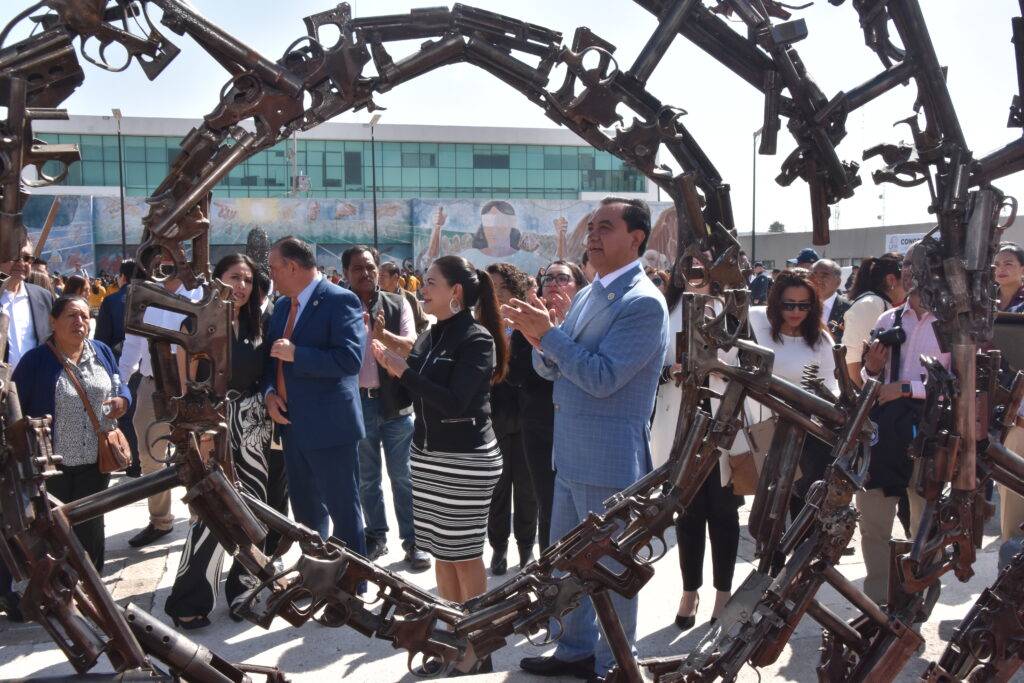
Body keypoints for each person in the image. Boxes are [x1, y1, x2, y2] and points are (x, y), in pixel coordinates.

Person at [503, 196, 668, 682]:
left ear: (636, 238)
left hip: (609, 461)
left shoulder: (642, 303)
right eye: (592, 227)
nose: (592, 235)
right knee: (568, 567)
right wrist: (539, 338)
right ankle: (575, 649)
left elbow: (602, 377)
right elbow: (553, 368)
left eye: (605, 227)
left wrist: (549, 337)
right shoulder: (591, 293)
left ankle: (615, 661)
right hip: (571, 456)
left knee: (610, 570)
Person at [372, 255, 507, 676]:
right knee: (443, 556)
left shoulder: (477, 339)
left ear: (456, 292)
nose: (421, 288)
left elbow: (454, 401)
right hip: (430, 457)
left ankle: (478, 647)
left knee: (464, 556)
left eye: (430, 282)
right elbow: (419, 381)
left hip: (465, 461)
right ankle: (451, 634)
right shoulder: (432, 335)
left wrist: (402, 371)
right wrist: (393, 361)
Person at [164, 254, 289, 628]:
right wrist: (197, 432)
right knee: (211, 508)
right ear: (216, 279)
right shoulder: (195, 322)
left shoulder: (258, 324)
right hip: (209, 422)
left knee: (252, 507)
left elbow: (266, 373)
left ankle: (244, 589)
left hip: (253, 422)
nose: (242, 286)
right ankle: (190, 598)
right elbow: (184, 383)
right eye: (235, 277)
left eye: (248, 280)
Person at [262, 237, 367, 558]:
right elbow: (270, 358)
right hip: (292, 425)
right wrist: (269, 393)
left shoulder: (340, 300)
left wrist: (298, 354)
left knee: (344, 512)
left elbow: (350, 360)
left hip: (330, 428)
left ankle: (353, 582)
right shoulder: (282, 306)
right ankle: (316, 575)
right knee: (306, 515)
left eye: (273, 268)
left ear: (293, 266)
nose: (271, 276)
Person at [858, 243, 949, 608]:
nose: (910, 270)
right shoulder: (888, 320)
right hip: (885, 436)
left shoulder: (953, 323)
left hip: (932, 436)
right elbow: (869, 380)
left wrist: (906, 388)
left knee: (925, 526)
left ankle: (917, 603)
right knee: (873, 523)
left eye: (921, 263)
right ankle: (878, 606)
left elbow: (962, 383)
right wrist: (872, 369)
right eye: (907, 263)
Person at [12, 296, 131, 573]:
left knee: (91, 526)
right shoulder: (35, 361)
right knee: (56, 530)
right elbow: (16, 408)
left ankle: (92, 582)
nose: (80, 322)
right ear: (53, 321)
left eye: (85, 316)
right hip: (53, 465)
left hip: (97, 459)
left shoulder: (101, 351)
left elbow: (119, 383)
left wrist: (124, 400)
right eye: (72, 315)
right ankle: (61, 584)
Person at [655, 262, 743, 631]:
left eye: (703, 266)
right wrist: (672, 370)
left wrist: (724, 369)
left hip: (724, 422)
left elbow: (752, 365)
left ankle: (723, 594)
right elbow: (649, 366)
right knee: (687, 512)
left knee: (724, 513)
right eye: (689, 267)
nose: (696, 273)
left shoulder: (732, 309)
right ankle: (689, 591)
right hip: (680, 421)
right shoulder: (664, 309)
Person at [341, 246, 430, 570]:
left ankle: (414, 541)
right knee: (367, 478)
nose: (365, 273)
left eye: (370, 267)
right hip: (356, 404)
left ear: (378, 270)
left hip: (396, 404)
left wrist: (383, 335)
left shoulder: (397, 303)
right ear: (346, 273)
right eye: (357, 268)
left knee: (403, 476)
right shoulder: (339, 306)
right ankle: (375, 536)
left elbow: (412, 347)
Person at [119, 261, 203, 547]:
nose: (166, 263)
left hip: (191, 387)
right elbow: (132, 344)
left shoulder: (200, 295)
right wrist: (120, 383)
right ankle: (160, 519)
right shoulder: (144, 295)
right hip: (152, 383)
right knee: (150, 455)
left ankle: (200, 519)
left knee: (197, 456)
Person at [506, 260, 586, 553]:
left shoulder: (587, 322)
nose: (552, 283)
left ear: (579, 287)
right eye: (548, 278)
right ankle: (549, 572)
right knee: (548, 506)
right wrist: (537, 339)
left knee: (583, 513)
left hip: (580, 426)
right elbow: (514, 376)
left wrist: (557, 335)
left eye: (562, 278)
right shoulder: (529, 319)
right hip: (539, 426)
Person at [748, 270, 838, 525]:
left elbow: (831, 389)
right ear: (776, 303)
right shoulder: (755, 319)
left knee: (804, 509)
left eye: (803, 305)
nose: (796, 311)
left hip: (807, 432)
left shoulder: (821, 340)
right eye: (788, 304)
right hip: (764, 427)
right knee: (767, 510)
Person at [485, 262, 538, 574]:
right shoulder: (481, 325)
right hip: (494, 420)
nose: (495, 296)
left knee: (528, 491)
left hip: (529, 419)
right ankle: (498, 548)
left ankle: (526, 548)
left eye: (500, 289)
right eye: (490, 289)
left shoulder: (530, 323)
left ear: (515, 291)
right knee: (498, 491)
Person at [990, 243, 1024, 543]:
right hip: (991, 404)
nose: (1001, 268)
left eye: (1009, 263)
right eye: (997, 263)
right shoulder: (984, 302)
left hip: (1019, 410)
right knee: (1006, 490)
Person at [95, 259, 142, 476]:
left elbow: (101, 340)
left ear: (122, 277)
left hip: (119, 363)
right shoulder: (154, 299)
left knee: (126, 414)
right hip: (149, 366)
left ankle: (131, 462)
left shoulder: (111, 300)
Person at [842, 254, 905, 386]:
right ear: (891, 279)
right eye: (906, 278)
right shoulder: (871, 304)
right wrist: (859, 396)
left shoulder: (879, 303)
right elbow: (852, 357)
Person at [380, 261, 429, 334]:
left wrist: (413, 337)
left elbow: (423, 322)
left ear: (395, 277)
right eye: (378, 275)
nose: (379, 279)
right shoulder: (377, 298)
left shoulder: (409, 298)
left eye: (383, 276)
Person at [809, 258, 851, 343]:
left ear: (838, 282)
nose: (817, 280)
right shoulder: (801, 306)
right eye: (814, 275)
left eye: (824, 275)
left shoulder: (848, 308)